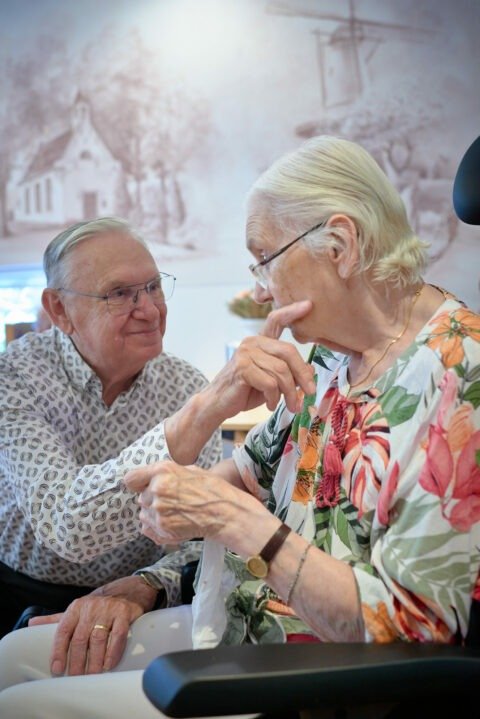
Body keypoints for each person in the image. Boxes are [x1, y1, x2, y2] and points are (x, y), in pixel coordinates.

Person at [1, 135, 479, 719]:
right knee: (13, 658)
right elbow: (241, 477)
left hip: (309, 672)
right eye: (121, 294)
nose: (257, 291)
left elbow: (412, 633)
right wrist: (168, 538)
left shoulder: (461, 378)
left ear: (342, 246)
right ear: (58, 311)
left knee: (25, 708)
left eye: (265, 260)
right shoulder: (327, 359)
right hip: (241, 620)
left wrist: (228, 519)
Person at [0, 216, 223, 639]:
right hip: (18, 593)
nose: (151, 310)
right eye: (120, 294)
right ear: (60, 310)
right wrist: (185, 429)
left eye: (154, 286)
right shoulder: (16, 376)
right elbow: (64, 524)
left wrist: (148, 585)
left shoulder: (186, 387)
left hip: (132, 601)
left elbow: (202, 537)